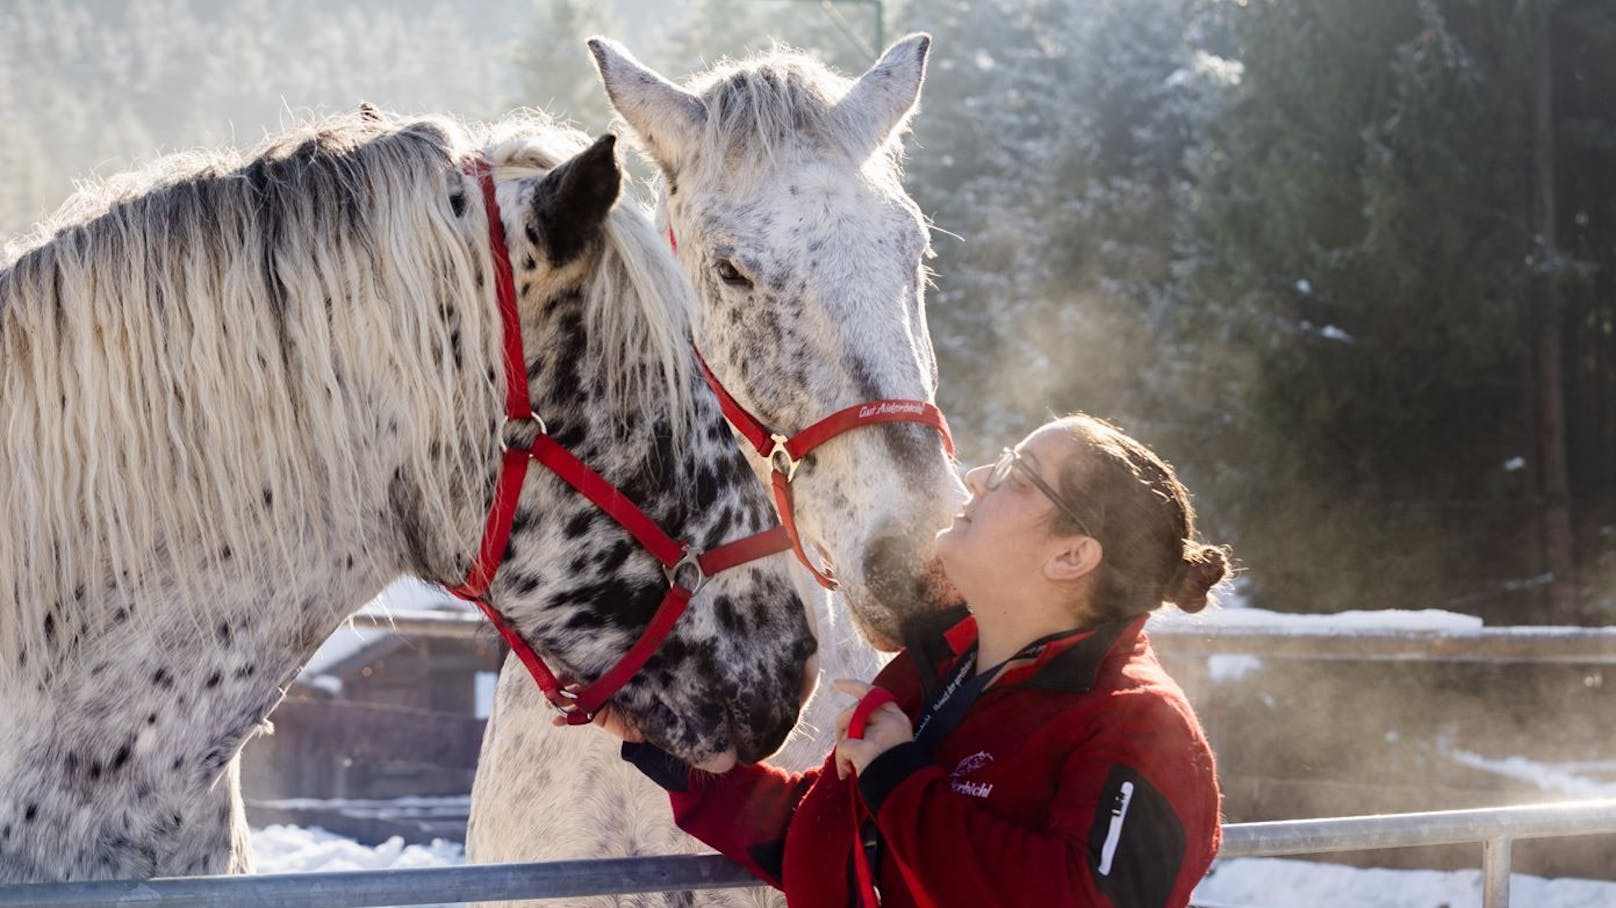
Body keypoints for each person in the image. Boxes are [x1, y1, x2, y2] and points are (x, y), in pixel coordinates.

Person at [585, 414, 1228, 908]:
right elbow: (834, 841)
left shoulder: (1142, 725)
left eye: (1016, 475)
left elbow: (1082, 899)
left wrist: (898, 776)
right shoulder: (939, 672)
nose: (977, 477)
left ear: (1071, 557)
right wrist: (672, 749)